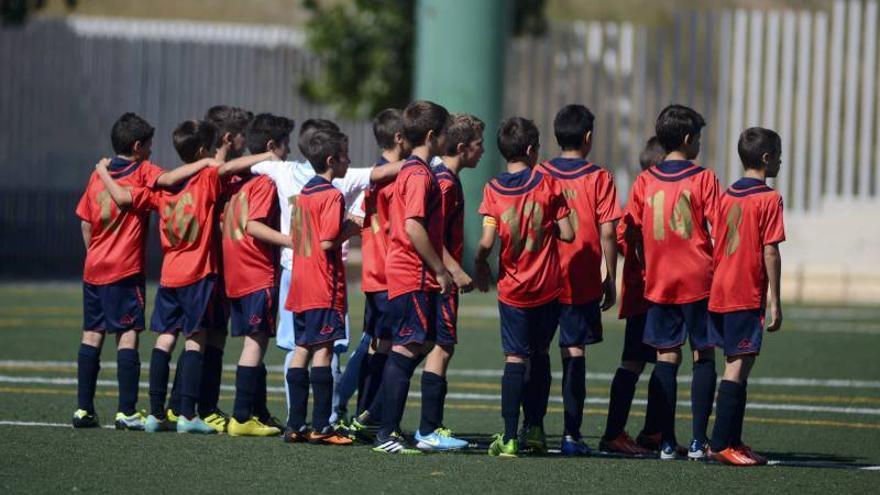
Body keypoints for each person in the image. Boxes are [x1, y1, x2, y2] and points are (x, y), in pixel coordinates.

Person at [73, 112, 216, 430]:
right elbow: (169, 180)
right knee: (127, 336)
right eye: (149, 145)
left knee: (92, 334)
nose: (153, 151)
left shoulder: (100, 174)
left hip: (93, 267)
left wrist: (93, 253)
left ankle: (84, 409)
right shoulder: (142, 171)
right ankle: (126, 410)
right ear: (138, 146)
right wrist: (205, 164)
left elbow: (85, 221)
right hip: (124, 269)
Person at [624, 104, 721, 460]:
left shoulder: (644, 181)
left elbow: (629, 230)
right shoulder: (703, 178)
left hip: (660, 281)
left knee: (667, 356)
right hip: (699, 279)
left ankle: (665, 441)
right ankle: (698, 440)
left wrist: (643, 264)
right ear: (687, 139)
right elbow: (719, 228)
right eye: (698, 138)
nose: (699, 144)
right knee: (703, 353)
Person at [475, 117, 574, 458]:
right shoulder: (549, 184)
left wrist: (479, 264)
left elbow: (487, 241)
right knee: (541, 354)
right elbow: (569, 232)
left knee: (515, 357)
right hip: (546, 286)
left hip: (513, 289)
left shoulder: (493, 189)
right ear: (531, 150)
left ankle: (509, 436)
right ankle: (535, 429)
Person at [535, 104, 621, 455]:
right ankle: (572, 435)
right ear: (588, 138)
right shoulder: (599, 177)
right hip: (581, 278)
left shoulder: (539, 173)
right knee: (573, 351)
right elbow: (609, 232)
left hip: (540, 277)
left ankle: (533, 429)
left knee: (536, 351)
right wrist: (610, 277)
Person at [371, 101, 454, 455]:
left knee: (414, 345)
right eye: (445, 131)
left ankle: (384, 424)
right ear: (433, 136)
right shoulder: (419, 174)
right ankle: (385, 431)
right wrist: (439, 268)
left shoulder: (411, 171)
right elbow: (412, 226)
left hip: (407, 270)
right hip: (413, 272)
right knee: (406, 348)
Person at [708, 127, 785, 466]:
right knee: (736, 365)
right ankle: (721, 443)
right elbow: (770, 251)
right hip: (744, 291)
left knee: (743, 361)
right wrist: (775, 300)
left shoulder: (726, 195)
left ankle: (733, 441)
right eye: (779, 154)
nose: (782, 160)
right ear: (766, 159)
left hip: (721, 287)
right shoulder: (769, 198)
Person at [413, 113, 484, 451]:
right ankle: (428, 430)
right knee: (440, 347)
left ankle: (420, 424)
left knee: (431, 347)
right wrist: (453, 270)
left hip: (438, 277)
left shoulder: (449, 179)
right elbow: (428, 231)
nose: (482, 151)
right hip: (437, 279)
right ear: (461, 147)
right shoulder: (443, 183)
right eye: (478, 145)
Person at [282, 129, 357, 445]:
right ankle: (321, 427)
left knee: (301, 349)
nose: (348, 161)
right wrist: (350, 228)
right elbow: (327, 241)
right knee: (323, 351)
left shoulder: (304, 193)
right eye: (345, 155)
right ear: (331, 160)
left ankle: (295, 425)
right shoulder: (332, 195)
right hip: (323, 285)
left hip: (300, 281)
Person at [600, 136, 667, 455]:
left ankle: (652, 431)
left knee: (655, 361)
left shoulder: (648, 190)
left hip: (657, 292)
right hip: (649, 294)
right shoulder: (648, 190)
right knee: (639, 361)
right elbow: (624, 235)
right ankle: (615, 432)